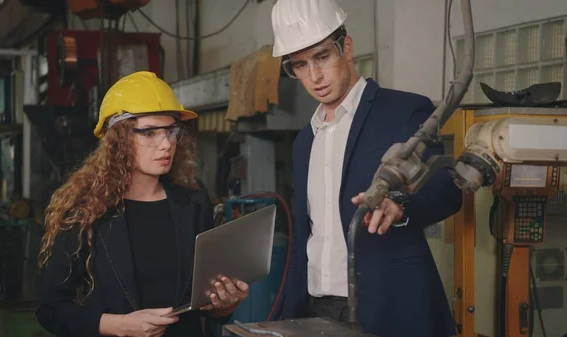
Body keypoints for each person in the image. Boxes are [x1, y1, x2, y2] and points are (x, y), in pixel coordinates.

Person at [270, 1, 463, 337]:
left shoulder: (401, 111)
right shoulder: (304, 141)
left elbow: (446, 188)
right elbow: (307, 233)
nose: (314, 77)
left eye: (322, 57)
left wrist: (400, 205)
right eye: (299, 65)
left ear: (346, 47)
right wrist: (289, 314)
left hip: (387, 308)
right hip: (315, 308)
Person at [36, 71, 249, 337]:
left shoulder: (193, 204)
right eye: (149, 133)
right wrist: (121, 326)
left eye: (171, 131)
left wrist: (223, 304)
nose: (166, 144)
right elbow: (51, 308)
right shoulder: (86, 212)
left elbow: (202, 303)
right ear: (118, 141)